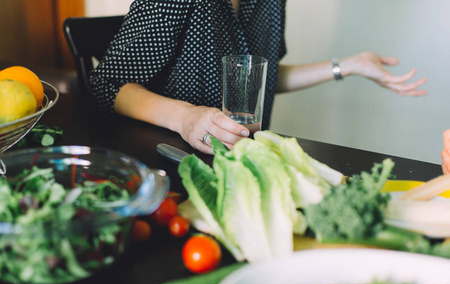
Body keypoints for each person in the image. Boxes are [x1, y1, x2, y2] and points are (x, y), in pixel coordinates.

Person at [89, 0, 427, 155]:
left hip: (235, 158)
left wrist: (349, 65)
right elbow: (106, 84)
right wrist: (186, 117)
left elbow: (256, 82)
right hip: (165, 161)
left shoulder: (269, 4)